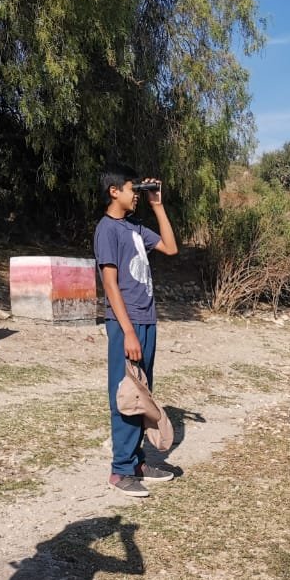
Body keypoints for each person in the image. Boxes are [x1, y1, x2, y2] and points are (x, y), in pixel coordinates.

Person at [94, 163, 178, 498]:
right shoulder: (107, 230)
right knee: (126, 394)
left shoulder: (135, 228)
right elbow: (110, 285)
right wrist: (127, 331)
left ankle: (138, 461)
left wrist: (157, 204)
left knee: (142, 391)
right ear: (114, 191)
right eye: (133, 189)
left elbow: (171, 248)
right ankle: (120, 470)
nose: (136, 196)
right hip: (125, 324)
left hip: (148, 320)